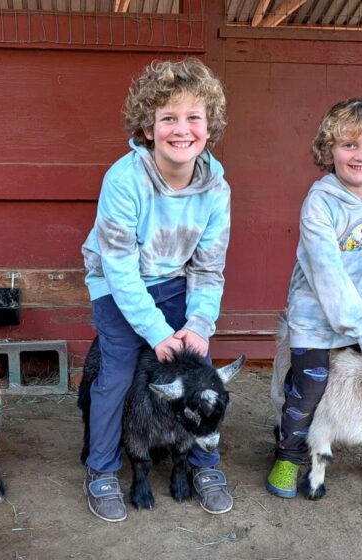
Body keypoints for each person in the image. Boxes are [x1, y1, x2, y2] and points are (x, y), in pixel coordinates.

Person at [79, 58, 233, 522]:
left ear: (209, 125)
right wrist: (156, 331)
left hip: (176, 281)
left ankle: (204, 462)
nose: (181, 129)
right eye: (168, 118)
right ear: (148, 127)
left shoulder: (216, 188)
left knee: (199, 370)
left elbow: (208, 267)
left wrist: (198, 325)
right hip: (117, 284)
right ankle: (102, 467)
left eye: (193, 117)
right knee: (117, 374)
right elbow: (119, 268)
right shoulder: (124, 180)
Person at [265, 98, 362, 501]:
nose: (361, 155)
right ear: (329, 149)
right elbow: (326, 274)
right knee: (309, 387)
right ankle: (290, 454)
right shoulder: (320, 202)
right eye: (349, 145)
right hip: (317, 316)